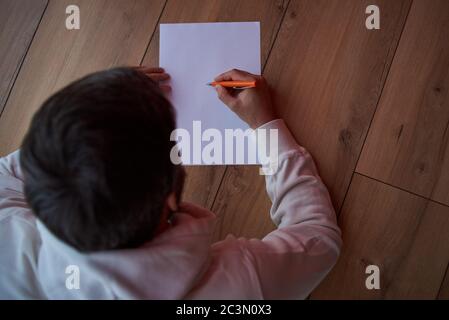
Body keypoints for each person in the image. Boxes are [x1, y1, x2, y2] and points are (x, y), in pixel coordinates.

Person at [0, 67, 341, 299]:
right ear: (171, 200)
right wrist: (266, 125)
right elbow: (316, 236)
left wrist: (106, 105)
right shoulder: (237, 287)